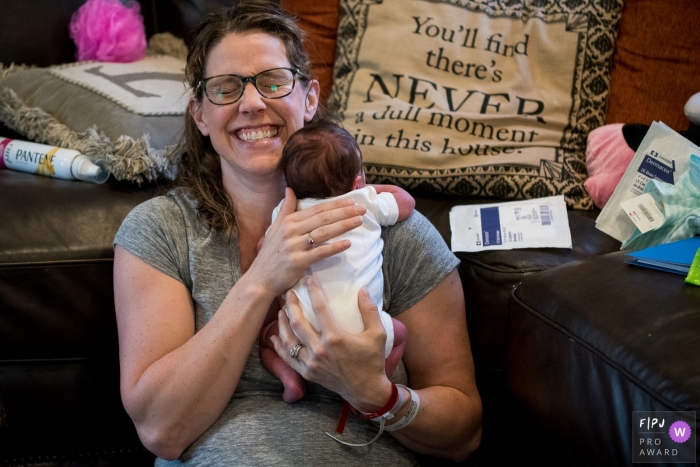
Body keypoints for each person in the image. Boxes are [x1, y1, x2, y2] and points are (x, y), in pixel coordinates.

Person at [112, 1, 482, 464]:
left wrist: (377, 395)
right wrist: (261, 279)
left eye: (273, 82)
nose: (251, 104)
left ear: (309, 99)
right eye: (226, 88)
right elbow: (159, 428)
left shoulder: (396, 233)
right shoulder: (160, 230)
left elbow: (464, 432)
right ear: (200, 116)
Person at [258, 119, 414, 404]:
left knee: (269, 337)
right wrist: (362, 190)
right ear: (357, 180)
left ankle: (290, 378)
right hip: (365, 334)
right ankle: (372, 385)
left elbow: (264, 248)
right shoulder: (363, 203)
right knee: (400, 334)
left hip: (301, 329)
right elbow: (405, 202)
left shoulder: (285, 213)